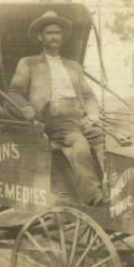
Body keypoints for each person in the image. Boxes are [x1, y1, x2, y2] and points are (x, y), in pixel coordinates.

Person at [7, 11, 107, 205]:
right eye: (49, 32)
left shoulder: (73, 66)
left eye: (58, 33)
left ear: (63, 37)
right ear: (40, 37)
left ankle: (115, 190)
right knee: (79, 145)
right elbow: (14, 92)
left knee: (106, 140)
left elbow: (88, 96)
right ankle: (94, 197)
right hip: (53, 121)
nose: (54, 36)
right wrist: (28, 110)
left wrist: (93, 115)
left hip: (79, 118)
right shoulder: (29, 63)